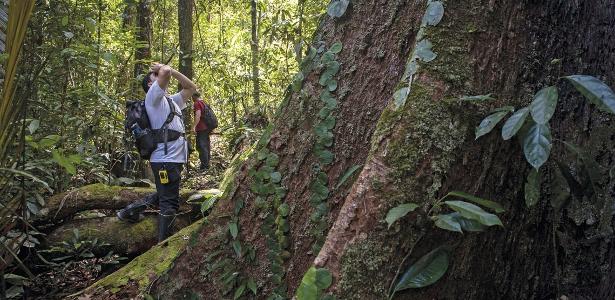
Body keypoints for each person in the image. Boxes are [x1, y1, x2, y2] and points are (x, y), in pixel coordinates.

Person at [117, 62, 196, 242]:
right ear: (151, 86)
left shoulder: (172, 101)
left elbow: (191, 87)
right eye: (156, 75)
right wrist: (162, 68)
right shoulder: (153, 98)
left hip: (173, 159)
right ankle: (163, 247)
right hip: (165, 159)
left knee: (165, 194)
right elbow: (166, 72)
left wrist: (172, 70)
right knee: (169, 203)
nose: (160, 75)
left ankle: (129, 211)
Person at [192, 92, 212, 171]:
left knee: (201, 146)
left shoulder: (197, 103)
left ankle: (205, 166)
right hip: (207, 127)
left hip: (201, 128)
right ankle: (206, 163)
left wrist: (194, 126)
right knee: (206, 145)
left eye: (192, 96)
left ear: (194, 96)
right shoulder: (204, 102)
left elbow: (198, 115)